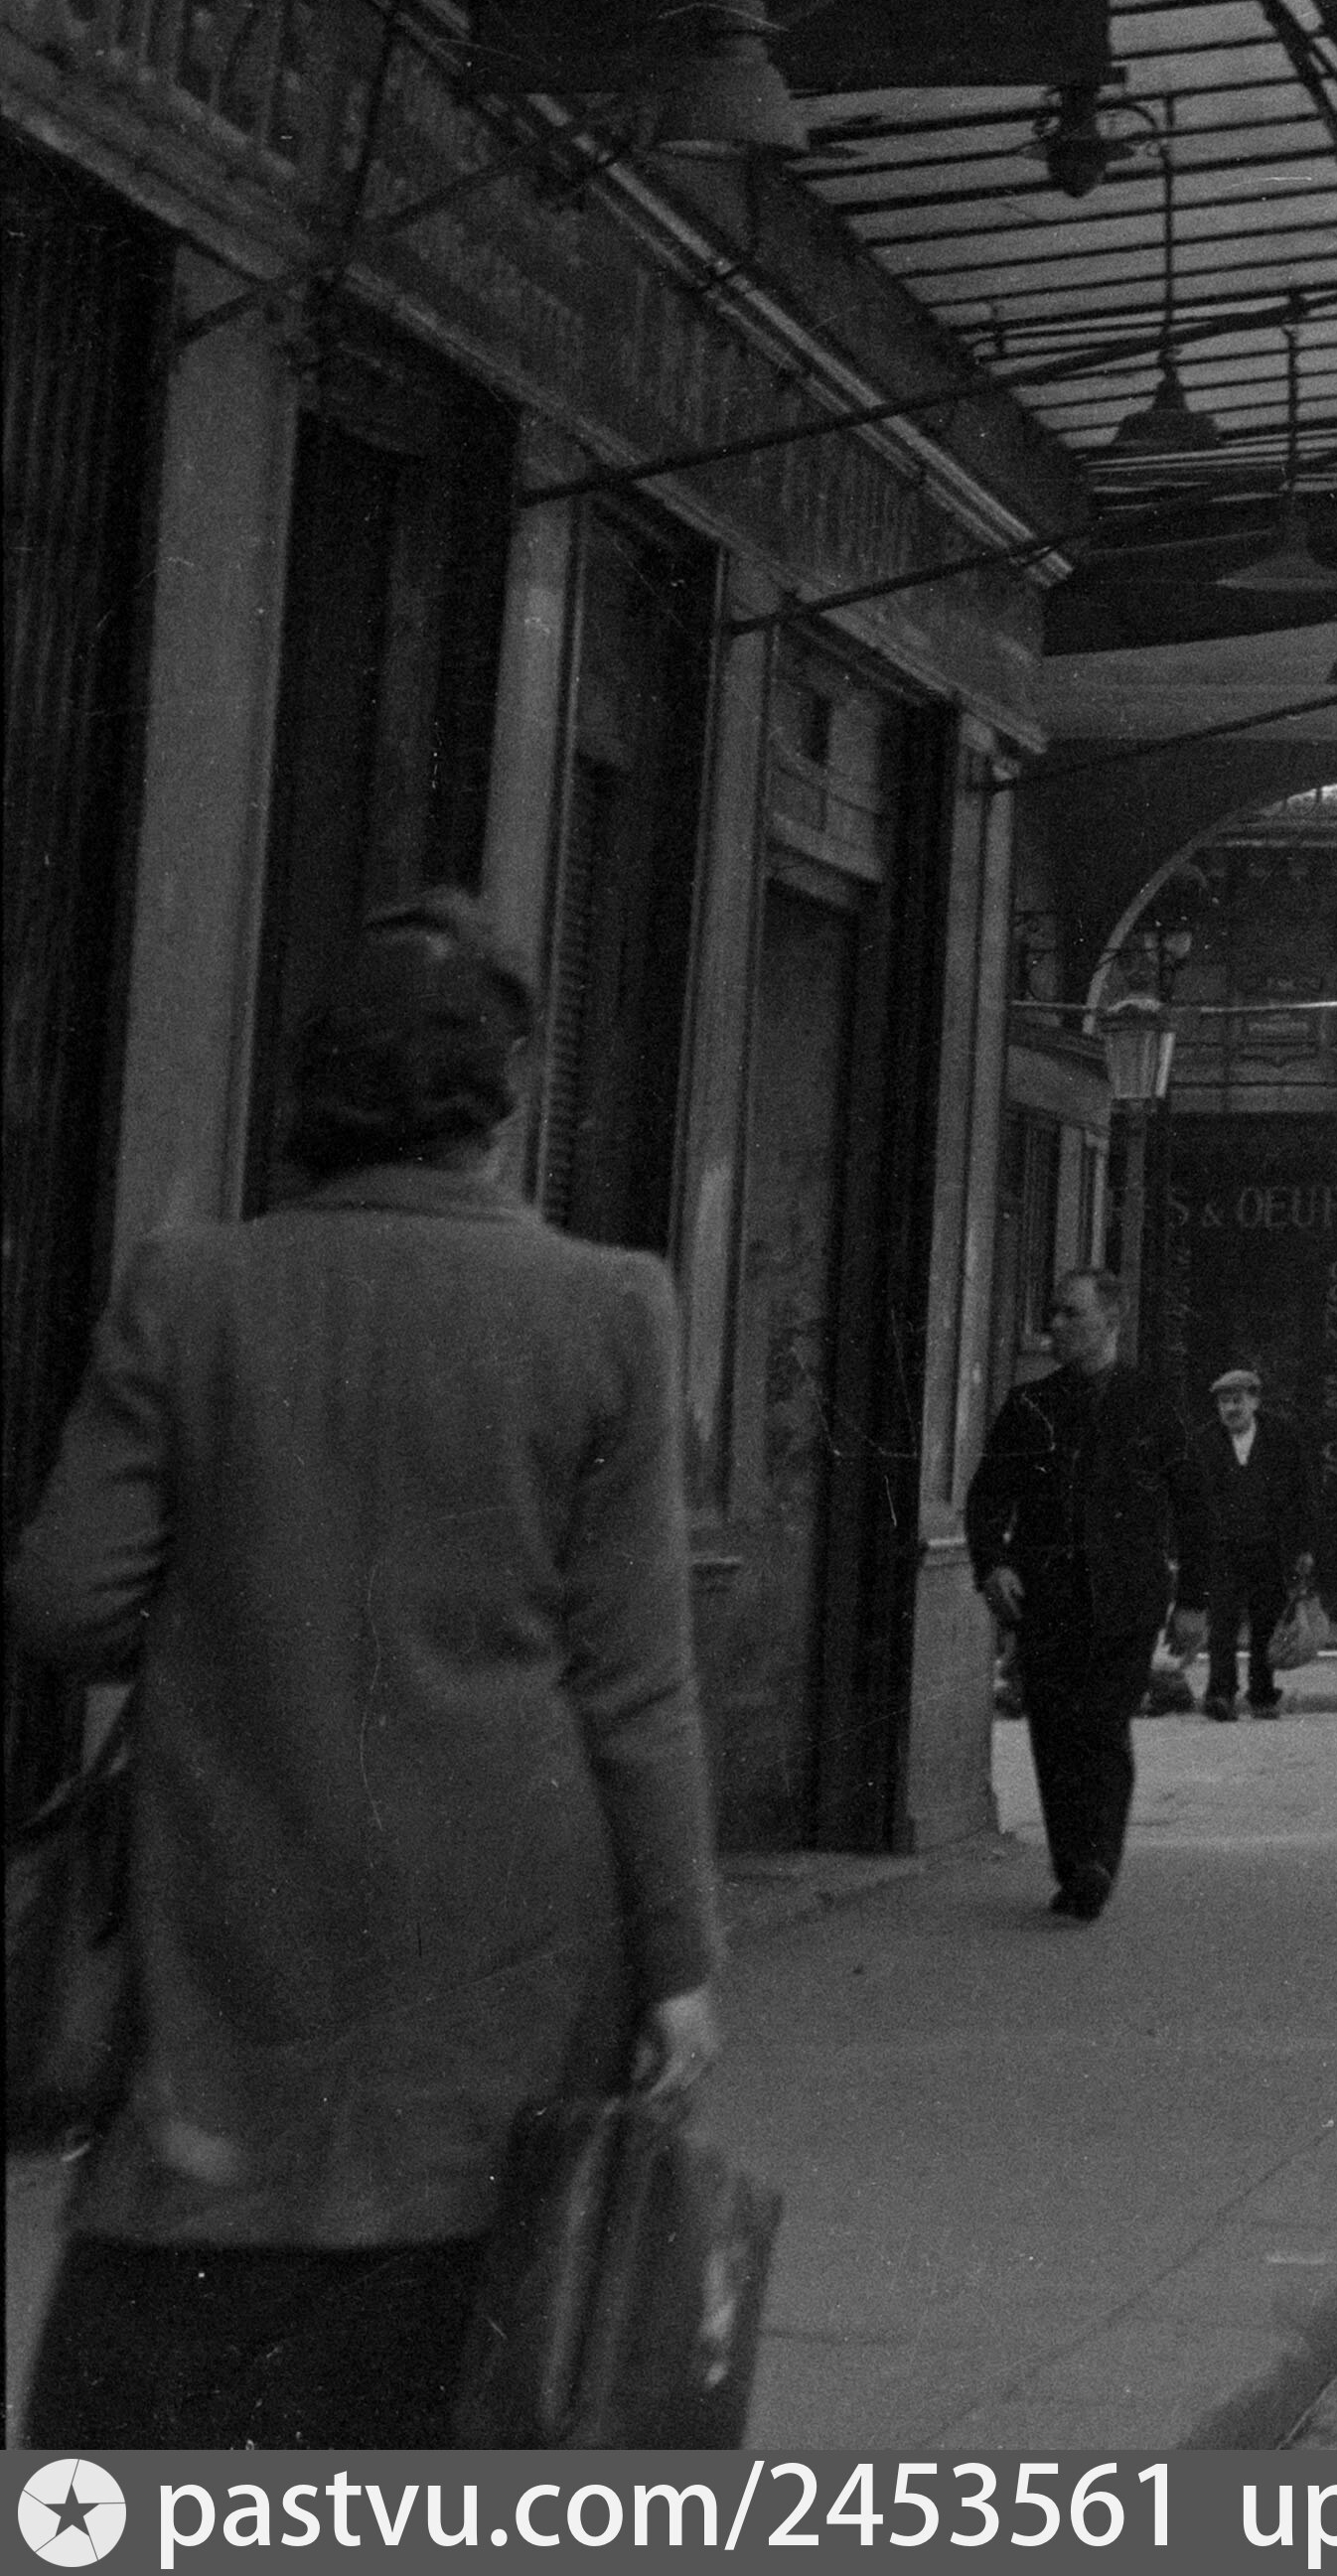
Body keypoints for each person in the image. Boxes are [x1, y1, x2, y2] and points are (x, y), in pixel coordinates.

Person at [8, 901, 720, 2450]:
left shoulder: (189, 1288)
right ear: (508, 1093)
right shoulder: (610, 1307)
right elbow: (636, 1686)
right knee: (455, 2381)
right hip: (507, 1957)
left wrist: (244, 1611)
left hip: (230, 1927)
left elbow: (66, 1597)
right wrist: (678, 1960)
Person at [967, 1266, 1183, 1918]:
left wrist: (1197, 1600)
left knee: (1103, 1725)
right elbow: (987, 1498)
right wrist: (993, 1565)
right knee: (1055, 1730)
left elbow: (1194, 1502)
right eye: (1054, 1312)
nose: (1055, 1325)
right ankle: (1073, 1860)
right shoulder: (1029, 1406)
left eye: (1071, 1313)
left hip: (1126, 1598)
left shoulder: (1153, 1402)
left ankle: (1096, 1861)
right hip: (1048, 1598)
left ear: (1111, 1321)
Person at [1188, 1361, 1320, 1721]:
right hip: (1223, 1548)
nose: (1230, 1409)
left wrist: (1305, 1546)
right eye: (1224, 1402)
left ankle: (1262, 1694)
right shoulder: (1205, 1441)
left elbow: (1303, 1493)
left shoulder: (1281, 1437)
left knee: (1266, 1622)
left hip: (1270, 1547)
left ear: (1255, 1402)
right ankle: (1220, 1694)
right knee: (1223, 1624)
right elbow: (1192, 1499)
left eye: (1237, 1401)